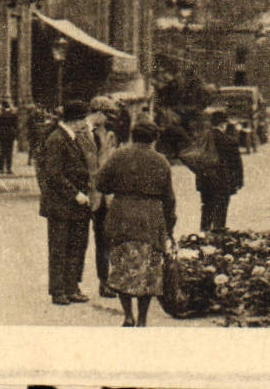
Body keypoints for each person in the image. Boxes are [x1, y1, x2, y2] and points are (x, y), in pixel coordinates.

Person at [95, 119, 175, 327]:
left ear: (133, 136)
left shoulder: (119, 156)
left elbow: (101, 183)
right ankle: (142, 319)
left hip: (122, 215)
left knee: (122, 267)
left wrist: (120, 187)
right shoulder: (161, 161)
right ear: (154, 139)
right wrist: (169, 227)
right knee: (148, 271)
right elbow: (169, 199)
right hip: (151, 217)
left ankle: (127, 315)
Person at [35, 101, 93, 305]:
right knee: (59, 248)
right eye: (83, 119)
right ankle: (58, 290)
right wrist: (74, 193)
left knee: (76, 246)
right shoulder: (57, 139)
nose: (86, 123)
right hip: (61, 204)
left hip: (75, 204)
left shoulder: (71, 137)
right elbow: (53, 174)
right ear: (75, 121)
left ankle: (71, 287)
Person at [77, 96, 120, 297]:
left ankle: (105, 282)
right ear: (98, 112)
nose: (109, 120)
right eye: (107, 116)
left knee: (104, 239)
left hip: (103, 196)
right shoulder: (79, 131)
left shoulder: (106, 134)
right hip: (84, 194)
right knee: (78, 241)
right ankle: (72, 284)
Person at [195, 109, 244, 232]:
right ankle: (218, 236)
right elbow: (236, 165)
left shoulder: (202, 141)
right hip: (222, 183)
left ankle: (204, 235)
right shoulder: (229, 141)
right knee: (220, 212)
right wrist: (238, 182)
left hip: (206, 182)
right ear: (223, 124)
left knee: (207, 210)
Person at [0, 100, 19, 175]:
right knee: (9, 152)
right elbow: (16, 125)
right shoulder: (13, 114)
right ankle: (9, 169)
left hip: (2, 135)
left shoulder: (0, 115)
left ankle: (1, 169)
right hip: (10, 135)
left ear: (3, 106)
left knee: (2, 152)